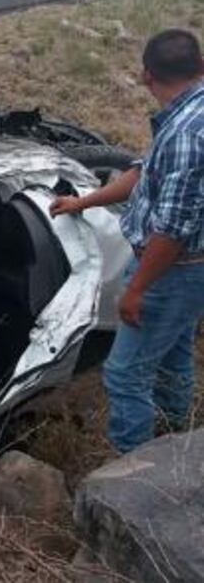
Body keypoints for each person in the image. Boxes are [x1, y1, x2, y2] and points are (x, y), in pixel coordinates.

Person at [51, 29, 204, 453]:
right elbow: (143, 174)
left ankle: (133, 477)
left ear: (145, 76)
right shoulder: (192, 114)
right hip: (189, 270)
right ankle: (178, 443)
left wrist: (136, 289)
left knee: (124, 374)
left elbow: (171, 230)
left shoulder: (185, 136)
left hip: (173, 271)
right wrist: (83, 201)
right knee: (172, 356)